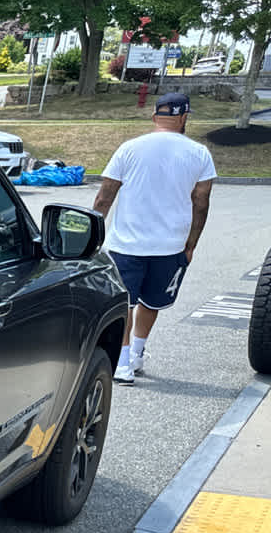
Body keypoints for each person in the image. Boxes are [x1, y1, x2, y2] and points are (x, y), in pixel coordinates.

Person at [90, 91, 216, 385]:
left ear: (154, 117)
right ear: (184, 118)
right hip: (171, 245)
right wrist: (191, 244)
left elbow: (104, 197)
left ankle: (121, 364)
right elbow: (201, 202)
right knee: (152, 302)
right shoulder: (200, 154)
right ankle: (136, 352)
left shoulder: (129, 148)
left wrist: (90, 235)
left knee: (126, 303)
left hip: (125, 244)